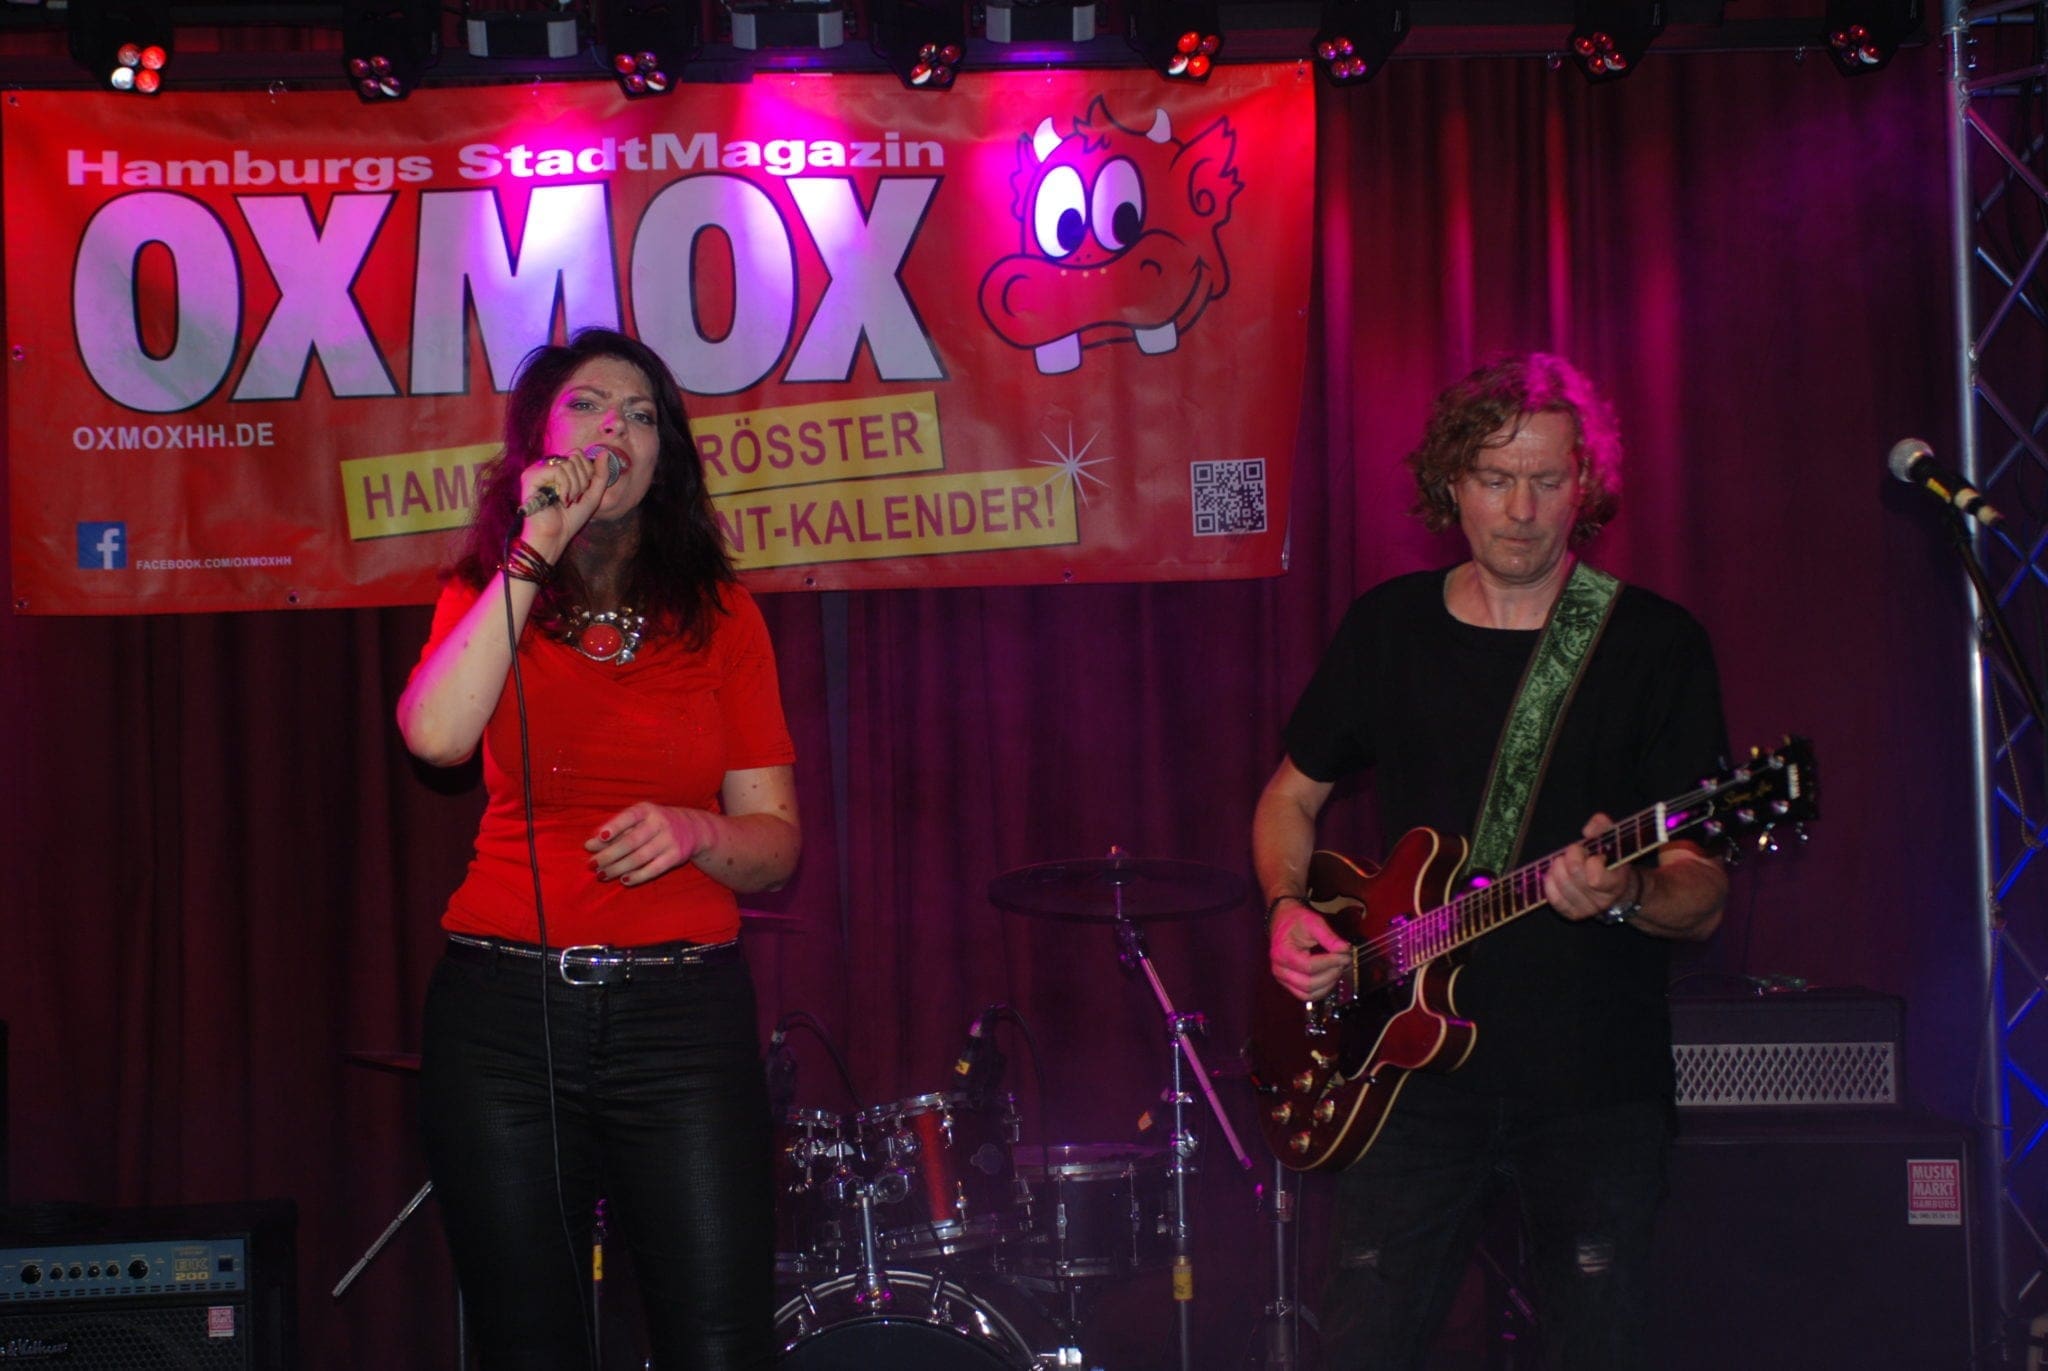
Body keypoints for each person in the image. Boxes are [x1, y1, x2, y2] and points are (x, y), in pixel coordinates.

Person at [1254, 353, 1728, 1370]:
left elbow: (1703, 893)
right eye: (1493, 478)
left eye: (1546, 480)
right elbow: (1288, 798)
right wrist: (1287, 905)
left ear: (1585, 484)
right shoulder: (1388, 629)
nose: (1520, 510)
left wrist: (1628, 891)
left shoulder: (1653, 645)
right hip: (1406, 1080)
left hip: (1592, 1083)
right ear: (1449, 483)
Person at [397, 327, 799, 1370]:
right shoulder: (489, 589)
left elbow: (774, 845)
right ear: (538, 436)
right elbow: (435, 739)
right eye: (587, 404)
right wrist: (535, 543)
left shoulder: (722, 617)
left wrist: (697, 829)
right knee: (531, 1343)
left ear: (665, 458)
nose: (615, 426)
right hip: (504, 1018)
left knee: (718, 1341)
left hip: (681, 1021)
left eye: (641, 414)